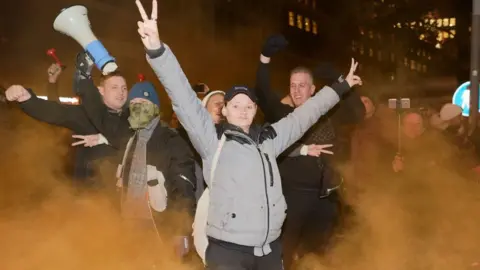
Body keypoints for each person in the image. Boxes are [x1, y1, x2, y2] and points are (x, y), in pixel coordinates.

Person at [133, 1, 362, 268]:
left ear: (255, 111)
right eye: (236, 105)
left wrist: (340, 86)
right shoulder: (212, 142)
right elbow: (183, 97)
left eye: (248, 106)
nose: (243, 111)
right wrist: (158, 51)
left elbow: (306, 115)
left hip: (269, 252)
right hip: (229, 253)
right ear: (226, 111)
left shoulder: (270, 140)